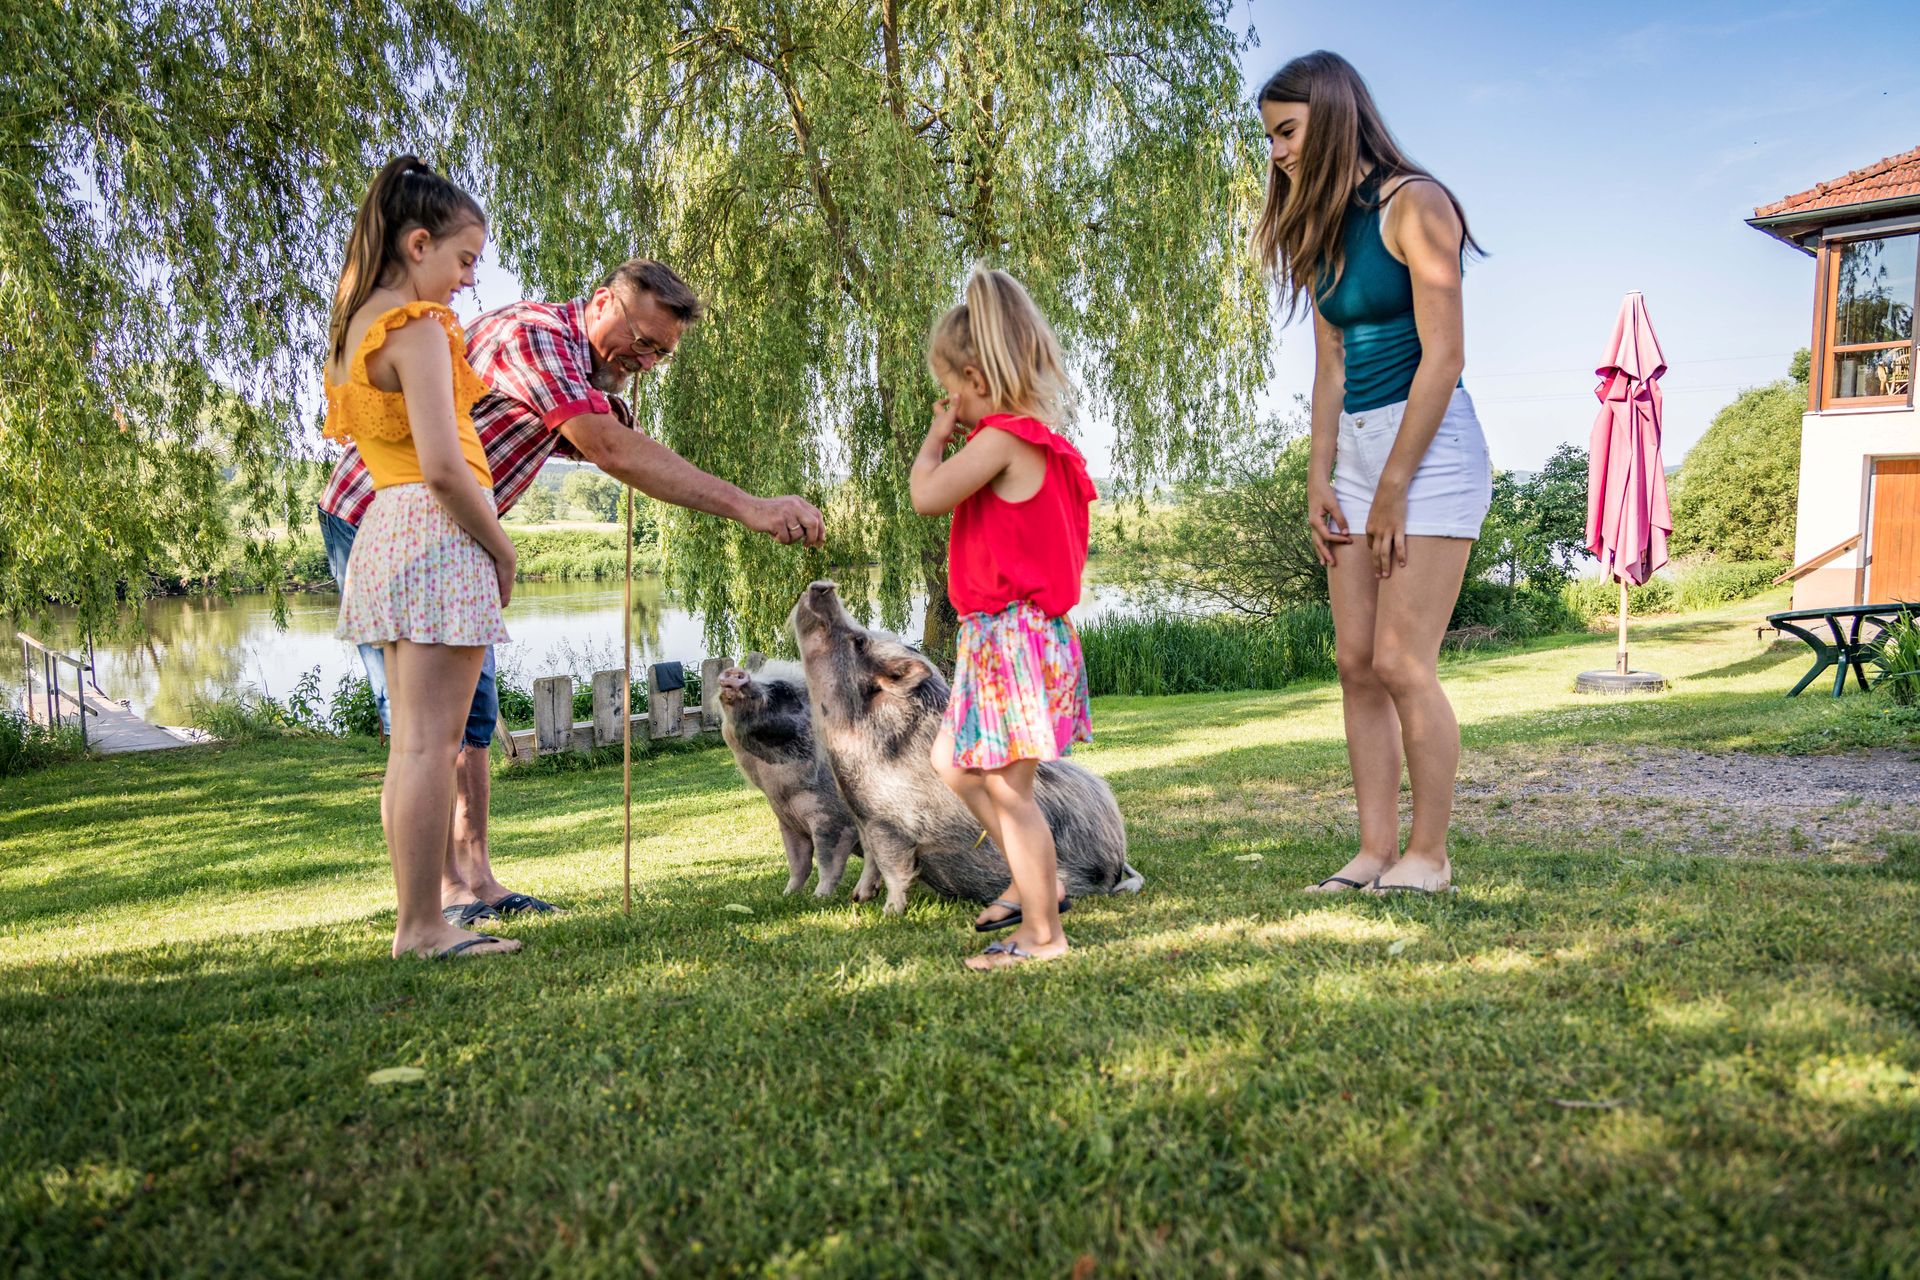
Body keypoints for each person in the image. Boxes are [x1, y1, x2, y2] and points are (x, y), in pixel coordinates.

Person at [319, 257, 826, 927]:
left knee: (474, 716)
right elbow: (609, 449)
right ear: (599, 302)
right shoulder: (534, 336)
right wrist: (751, 508)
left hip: (458, 530)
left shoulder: (579, 370)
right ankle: (438, 901)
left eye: (659, 353)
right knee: (424, 726)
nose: (643, 359)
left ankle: (478, 882)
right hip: (386, 520)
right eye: (640, 339)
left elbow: (622, 445)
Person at [1254, 52, 1490, 895]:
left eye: (1287, 131)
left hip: (1429, 454)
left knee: (1401, 661)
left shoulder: (1415, 204)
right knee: (1355, 661)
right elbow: (1329, 368)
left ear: (1332, 115)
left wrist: (1391, 487)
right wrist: (1321, 480)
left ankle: (1430, 855)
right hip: (1355, 452)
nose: (1276, 151)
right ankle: (1374, 852)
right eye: (1271, 137)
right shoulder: (1320, 228)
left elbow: (1445, 355)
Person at [324, 156, 520, 960]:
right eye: (464, 259)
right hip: (438, 531)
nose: (469, 280)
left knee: (411, 746)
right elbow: (444, 464)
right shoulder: (419, 329)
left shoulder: (355, 329)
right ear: (416, 243)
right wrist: (500, 547)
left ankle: (415, 922)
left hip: (385, 529)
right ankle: (424, 926)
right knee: (437, 745)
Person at [910, 267, 1099, 970]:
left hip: (1012, 638)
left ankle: (1043, 933)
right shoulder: (1045, 442)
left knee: (1010, 791)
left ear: (971, 375)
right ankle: (1034, 881)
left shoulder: (1001, 440)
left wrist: (935, 438)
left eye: (949, 389)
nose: (948, 404)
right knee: (953, 764)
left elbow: (928, 496)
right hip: (1012, 638)